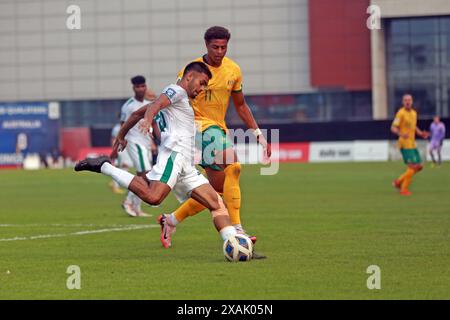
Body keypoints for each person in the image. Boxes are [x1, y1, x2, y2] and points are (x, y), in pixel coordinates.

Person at [75, 62, 238, 246]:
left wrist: (121, 135)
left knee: (216, 203)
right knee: (153, 198)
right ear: (189, 77)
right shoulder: (176, 91)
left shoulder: (176, 99)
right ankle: (104, 166)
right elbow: (155, 106)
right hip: (174, 156)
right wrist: (148, 119)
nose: (201, 89)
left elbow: (137, 113)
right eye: (201, 83)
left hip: (186, 164)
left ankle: (234, 243)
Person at [159, 26, 271, 254]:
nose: (219, 51)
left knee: (215, 193)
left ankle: (171, 220)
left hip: (218, 129)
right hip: (196, 127)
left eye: (223, 47)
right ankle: (238, 231)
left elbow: (240, 105)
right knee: (234, 165)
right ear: (206, 45)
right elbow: (176, 98)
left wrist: (258, 134)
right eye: (215, 47)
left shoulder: (233, 70)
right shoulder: (192, 70)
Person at [117, 75, 157, 217]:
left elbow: (150, 124)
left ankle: (136, 207)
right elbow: (122, 125)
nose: (141, 89)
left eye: (143, 86)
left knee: (142, 176)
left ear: (146, 86)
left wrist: (152, 142)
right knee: (146, 175)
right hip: (135, 143)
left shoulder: (149, 104)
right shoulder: (128, 106)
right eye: (138, 87)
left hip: (146, 144)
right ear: (133, 88)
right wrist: (119, 142)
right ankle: (128, 202)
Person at [391, 94, 429, 196]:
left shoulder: (414, 113)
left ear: (412, 101)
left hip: (412, 143)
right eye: (405, 100)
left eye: (409, 100)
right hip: (404, 143)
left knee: (419, 166)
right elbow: (393, 128)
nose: (407, 102)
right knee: (412, 167)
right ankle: (403, 189)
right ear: (403, 102)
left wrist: (420, 133)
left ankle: (398, 181)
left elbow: (414, 126)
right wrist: (401, 134)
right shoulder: (400, 113)